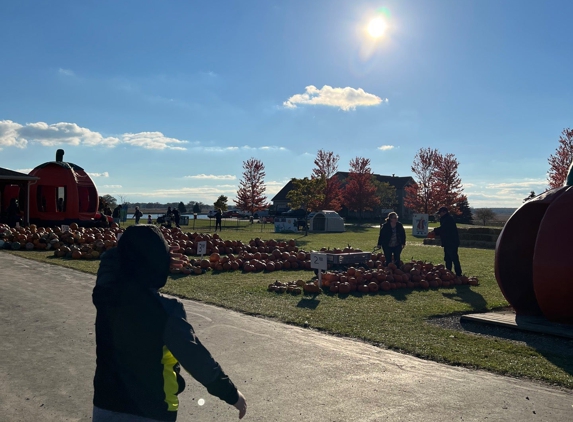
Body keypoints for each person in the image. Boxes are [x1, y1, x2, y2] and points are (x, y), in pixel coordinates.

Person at [92, 225, 247, 421]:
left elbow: (109, 264)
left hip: (105, 405)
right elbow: (196, 358)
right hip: (152, 409)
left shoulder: (105, 295)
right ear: (160, 266)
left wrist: (131, 253)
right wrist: (231, 394)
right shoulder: (166, 311)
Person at [432, 206, 463, 276]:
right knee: (447, 258)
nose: (439, 214)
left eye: (440, 213)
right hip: (447, 242)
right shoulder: (445, 219)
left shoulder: (448, 219)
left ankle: (458, 273)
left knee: (454, 258)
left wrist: (434, 230)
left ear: (444, 212)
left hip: (451, 242)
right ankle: (448, 272)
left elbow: (444, 228)